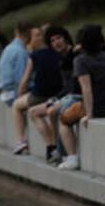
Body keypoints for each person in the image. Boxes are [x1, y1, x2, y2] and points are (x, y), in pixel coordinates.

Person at [57, 25, 105, 170]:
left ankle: (72, 157)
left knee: (64, 120)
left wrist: (89, 114)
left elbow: (87, 89)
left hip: (95, 107)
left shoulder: (80, 61)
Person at [10, 26, 66, 155]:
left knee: (17, 105)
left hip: (40, 95)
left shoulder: (35, 55)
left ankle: (22, 141)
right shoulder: (58, 54)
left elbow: (25, 80)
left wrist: (20, 93)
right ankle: (52, 147)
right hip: (57, 93)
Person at [28, 27, 77, 163]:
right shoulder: (61, 59)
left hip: (74, 97)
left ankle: (60, 152)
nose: (57, 43)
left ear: (66, 38)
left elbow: (73, 85)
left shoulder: (74, 55)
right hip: (63, 96)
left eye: (59, 38)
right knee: (33, 112)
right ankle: (52, 147)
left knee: (51, 111)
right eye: (53, 40)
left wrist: (57, 99)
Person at [0, 23, 35, 107]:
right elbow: (21, 80)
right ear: (29, 35)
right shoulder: (20, 52)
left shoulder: (8, 48)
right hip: (14, 93)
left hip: (5, 92)